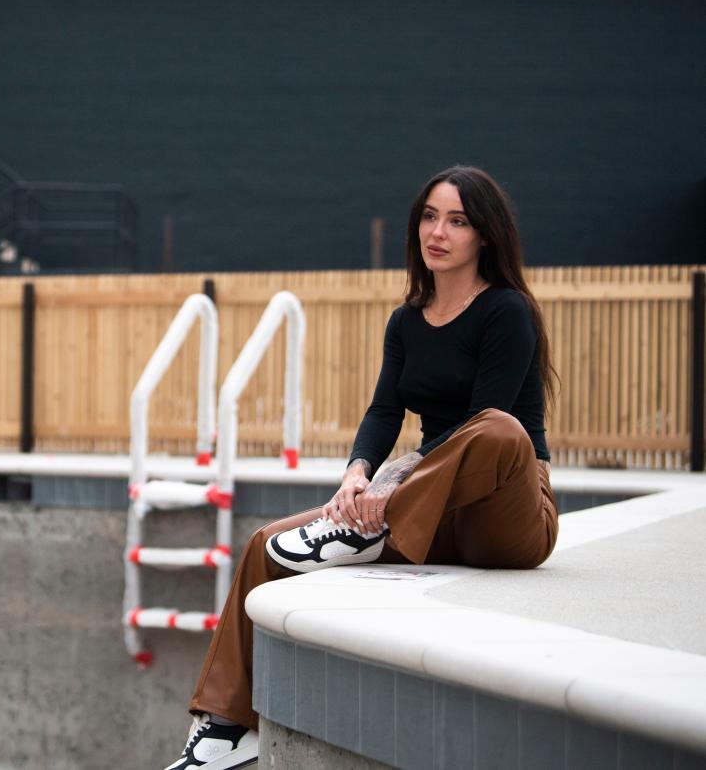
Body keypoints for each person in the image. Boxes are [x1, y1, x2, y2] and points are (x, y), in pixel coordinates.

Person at [161, 166, 559, 770]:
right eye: (429, 216)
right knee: (265, 545)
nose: (439, 232)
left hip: (509, 508)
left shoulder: (506, 311)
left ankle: (368, 528)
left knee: (500, 430)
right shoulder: (406, 320)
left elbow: (486, 416)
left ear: (485, 235)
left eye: (458, 220)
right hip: (433, 508)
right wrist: (356, 473)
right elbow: (383, 409)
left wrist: (394, 480)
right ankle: (225, 729)